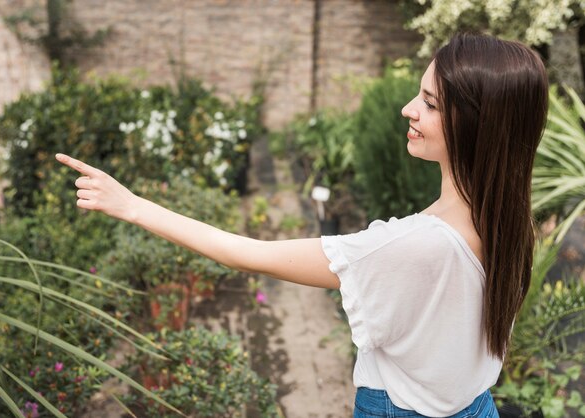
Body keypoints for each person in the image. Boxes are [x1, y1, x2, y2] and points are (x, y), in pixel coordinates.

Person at [56, 33, 548, 417]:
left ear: (477, 124)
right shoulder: (509, 220)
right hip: (476, 408)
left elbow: (245, 253)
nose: (408, 110)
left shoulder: (413, 248)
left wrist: (132, 204)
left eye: (431, 103)